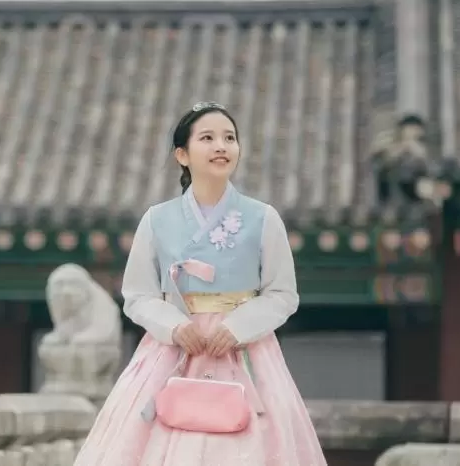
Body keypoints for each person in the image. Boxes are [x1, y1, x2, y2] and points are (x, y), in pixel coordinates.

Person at [73, 102, 327, 465]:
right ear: (182, 154)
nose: (221, 146)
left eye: (229, 138)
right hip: (174, 348)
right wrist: (174, 326)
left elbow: (282, 294)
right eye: (207, 138)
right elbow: (138, 295)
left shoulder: (263, 218)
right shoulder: (156, 219)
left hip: (243, 348)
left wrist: (238, 327)